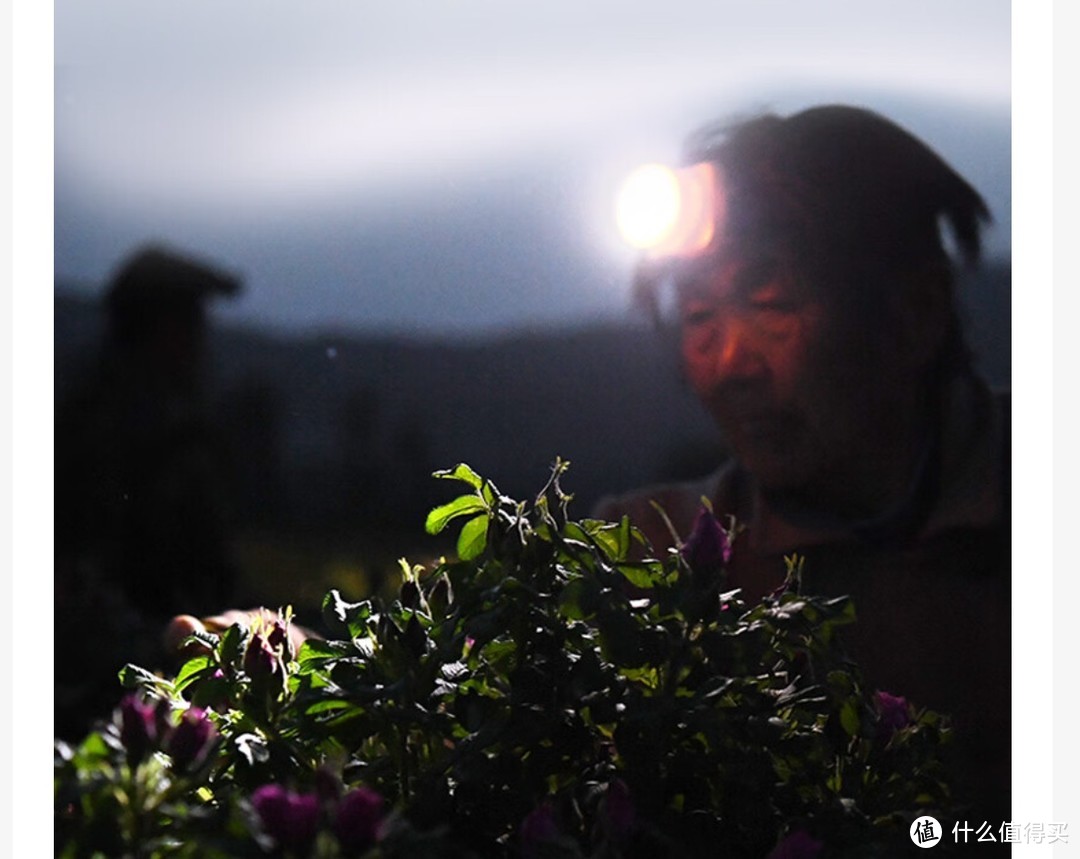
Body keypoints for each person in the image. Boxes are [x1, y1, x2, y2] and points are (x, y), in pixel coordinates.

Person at [595, 105, 1010, 828]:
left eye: (772, 303)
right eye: (698, 316)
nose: (729, 365)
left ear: (917, 311)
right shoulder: (647, 561)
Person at [55, 245, 243, 738]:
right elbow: (75, 584)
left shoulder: (174, 425)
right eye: (190, 322)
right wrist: (164, 643)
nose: (201, 342)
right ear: (157, 328)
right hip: (108, 703)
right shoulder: (98, 431)